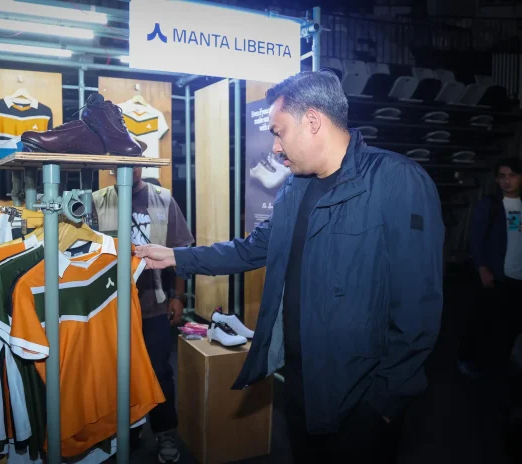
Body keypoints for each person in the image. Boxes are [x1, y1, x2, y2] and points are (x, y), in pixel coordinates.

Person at [135, 71, 445, 464]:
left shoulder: (397, 181)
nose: (275, 147)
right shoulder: (296, 187)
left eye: (279, 132)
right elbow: (252, 249)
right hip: (301, 381)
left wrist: (386, 400)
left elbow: (418, 305)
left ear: (312, 121)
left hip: (361, 393)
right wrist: (177, 257)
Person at [91, 169, 193, 463]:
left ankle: (165, 432)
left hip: (153, 304)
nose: (129, 167)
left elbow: (181, 251)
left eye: (135, 161)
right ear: (111, 168)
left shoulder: (163, 199)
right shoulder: (97, 201)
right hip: (112, 306)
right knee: (114, 371)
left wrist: (178, 296)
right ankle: (126, 431)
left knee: (159, 372)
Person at [459, 157, 522, 378]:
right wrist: (482, 267)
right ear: (496, 179)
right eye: (502, 176)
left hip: (517, 275)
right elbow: (475, 238)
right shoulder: (490, 204)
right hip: (495, 274)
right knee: (481, 320)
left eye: (512, 175)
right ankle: (468, 360)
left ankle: (499, 362)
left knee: (510, 323)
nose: (507, 181)